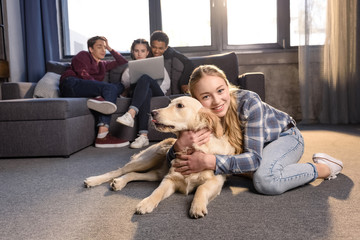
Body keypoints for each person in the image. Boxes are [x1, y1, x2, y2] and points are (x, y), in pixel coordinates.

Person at [167, 65, 344, 195]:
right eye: (206, 97)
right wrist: (177, 146)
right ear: (196, 102)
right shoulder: (200, 117)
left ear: (227, 87)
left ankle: (323, 168)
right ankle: (273, 166)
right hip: (258, 152)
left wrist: (209, 161)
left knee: (265, 180)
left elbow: (253, 159)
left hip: (285, 137)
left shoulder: (249, 103)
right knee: (249, 168)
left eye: (221, 90)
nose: (217, 101)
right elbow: (174, 161)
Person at [60, 36, 129, 148]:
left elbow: (123, 61)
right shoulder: (83, 55)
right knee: (109, 88)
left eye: (104, 47)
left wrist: (110, 48)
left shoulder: (103, 64)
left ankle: (97, 100)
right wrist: (99, 91)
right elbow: (83, 74)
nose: (103, 50)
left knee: (120, 85)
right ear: (91, 49)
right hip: (71, 84)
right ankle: (102, 135)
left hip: (86, 90)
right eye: (99, 47)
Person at [116, 39, 171, 148]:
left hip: (158, 93)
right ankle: (143, 136)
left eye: (142, 51)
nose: (139, 53)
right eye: (136, 50)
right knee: (146, 91)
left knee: (145, 78)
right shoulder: (128, 70)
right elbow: (125, 88)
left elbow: (166, 84)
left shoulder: (157, 65)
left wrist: (150, 83)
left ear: (147, 52)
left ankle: (130, 113)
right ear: (132, 51)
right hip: (142, 95)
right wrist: (143, 87)